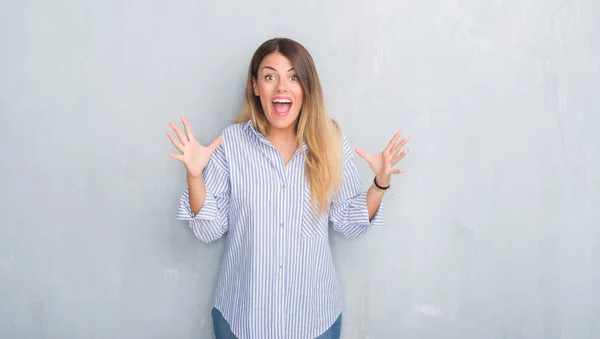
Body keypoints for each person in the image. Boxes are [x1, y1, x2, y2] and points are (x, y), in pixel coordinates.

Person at [167, 37, 409, 339]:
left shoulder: (330, 140)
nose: (282, 87)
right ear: (256, 86)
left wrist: (380, 183)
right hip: (242, 319)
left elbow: (348, 222)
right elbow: (208, 230)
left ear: (306, 87)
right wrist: (194, 176)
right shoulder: (231, 143)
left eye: (293, 77)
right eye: (270, 76)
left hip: (314, 321)